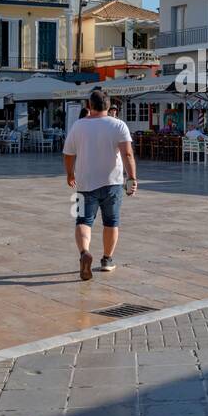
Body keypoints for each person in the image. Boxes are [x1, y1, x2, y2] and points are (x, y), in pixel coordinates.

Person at [63, 88, 138, 280]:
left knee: (82, 221)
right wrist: (132, 178)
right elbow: (127, 154)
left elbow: (68, 153)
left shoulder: (78, 125)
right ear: (108, 105)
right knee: (111, 222)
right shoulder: (118, 125)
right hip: (112, 182)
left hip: (85, 183)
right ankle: (107, 259)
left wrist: (70, 173)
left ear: (90, 105)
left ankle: (84, 253)